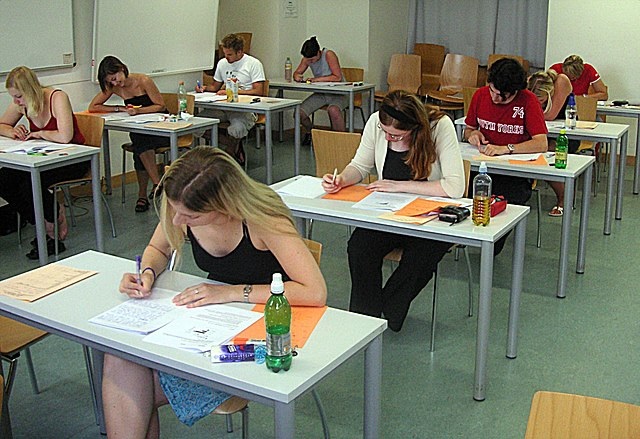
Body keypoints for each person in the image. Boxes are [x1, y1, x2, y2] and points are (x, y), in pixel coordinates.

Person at [104, 146, 326, 437]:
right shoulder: (184, 207)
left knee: (131, 380)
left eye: (189, 216)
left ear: (222, 205)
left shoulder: (262, 218)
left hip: (266, 335)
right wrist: (146, 272)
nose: (176, 221)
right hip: (213, 323)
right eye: (174, 210)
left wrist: (231, 292)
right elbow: (158, 248)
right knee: (121, 355)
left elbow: (314, 291)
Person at [322, 90, 464, 332]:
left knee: (420, 257)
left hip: (430, 217)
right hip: (389, 214)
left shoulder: (439, 127)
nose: (388, 138)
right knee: (359, 247)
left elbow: (455, 186)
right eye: (385, 132)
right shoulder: (377, 123)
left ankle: (389, 309)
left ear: (414, 128)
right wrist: (342, 179)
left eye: (396, 135)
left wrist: (399, 186)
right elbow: (360, 164)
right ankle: (365, 319)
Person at [0, 66, 86, 259]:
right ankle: (46, 222)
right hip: (41, 157)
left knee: (29, 184)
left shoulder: (57, 97)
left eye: (19, 96)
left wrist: (39, 133)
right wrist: (11, 131)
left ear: (30, 90)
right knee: (3, 180)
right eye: (13, 97)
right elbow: (2, 125)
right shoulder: (21, 103)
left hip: (73, 158)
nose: (16, 101)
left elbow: (65, 136)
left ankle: (51, 222)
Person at [464, 58, 548, 254]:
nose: (494, 98)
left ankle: (489, 246)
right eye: (492, 91)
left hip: (514, 173)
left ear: (515, 91)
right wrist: (473, 135)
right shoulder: (480, 95)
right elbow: (468, 129)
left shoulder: (528, 101)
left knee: (501, 207)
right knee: (464, 199)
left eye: (502, 96)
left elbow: (541, 143)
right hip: (482, 168)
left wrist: (507, 148)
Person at [89, 56, 167, 213]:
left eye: (115, 78)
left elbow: (160, 105)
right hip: (140, 128)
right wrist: (120, 108)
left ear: (121, 69)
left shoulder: (143, 81)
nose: (115, 83)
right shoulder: (114, 87)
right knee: (139, 142)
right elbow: (94, 106)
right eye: (111, 82)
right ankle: (156, 185)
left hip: (161, 126)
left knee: (139, 143)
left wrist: (138, 111)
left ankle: (147, 191)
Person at [195, 33, 266, 165]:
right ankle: (232, 147)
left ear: (240, 52)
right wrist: (204, 88)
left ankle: (228, 153)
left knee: (237, 128)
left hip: (244, 108)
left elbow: (259, 91)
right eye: (225, 54)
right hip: (223, 107)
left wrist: (234, 92)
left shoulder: (253, 64)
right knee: (196, 125)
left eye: (229, 55)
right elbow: (215, 86)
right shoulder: (222, 63)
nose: (226, 58)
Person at [527, 69, 576, 217]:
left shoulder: (561, 81)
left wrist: (530, 111)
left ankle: (564, 198)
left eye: (540, 100)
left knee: (543, 155)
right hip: (543, 133)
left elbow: (550, 114)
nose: (537, 103)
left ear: (549, 94)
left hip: (566, 136)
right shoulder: (532, 81)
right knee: (531, 150)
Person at [294, 36, 347, 145]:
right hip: (322, 94)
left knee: (333, 110)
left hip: (339, 93)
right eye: (309, 60)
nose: (311, 62)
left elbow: (337, 77)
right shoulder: (307, 59)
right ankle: (312, 133)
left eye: (313, 59)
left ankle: (342, 141)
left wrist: (316, 80)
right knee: (299, 113)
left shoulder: (329, 55)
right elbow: (297, 72)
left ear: (319, 52)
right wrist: (297, 76)